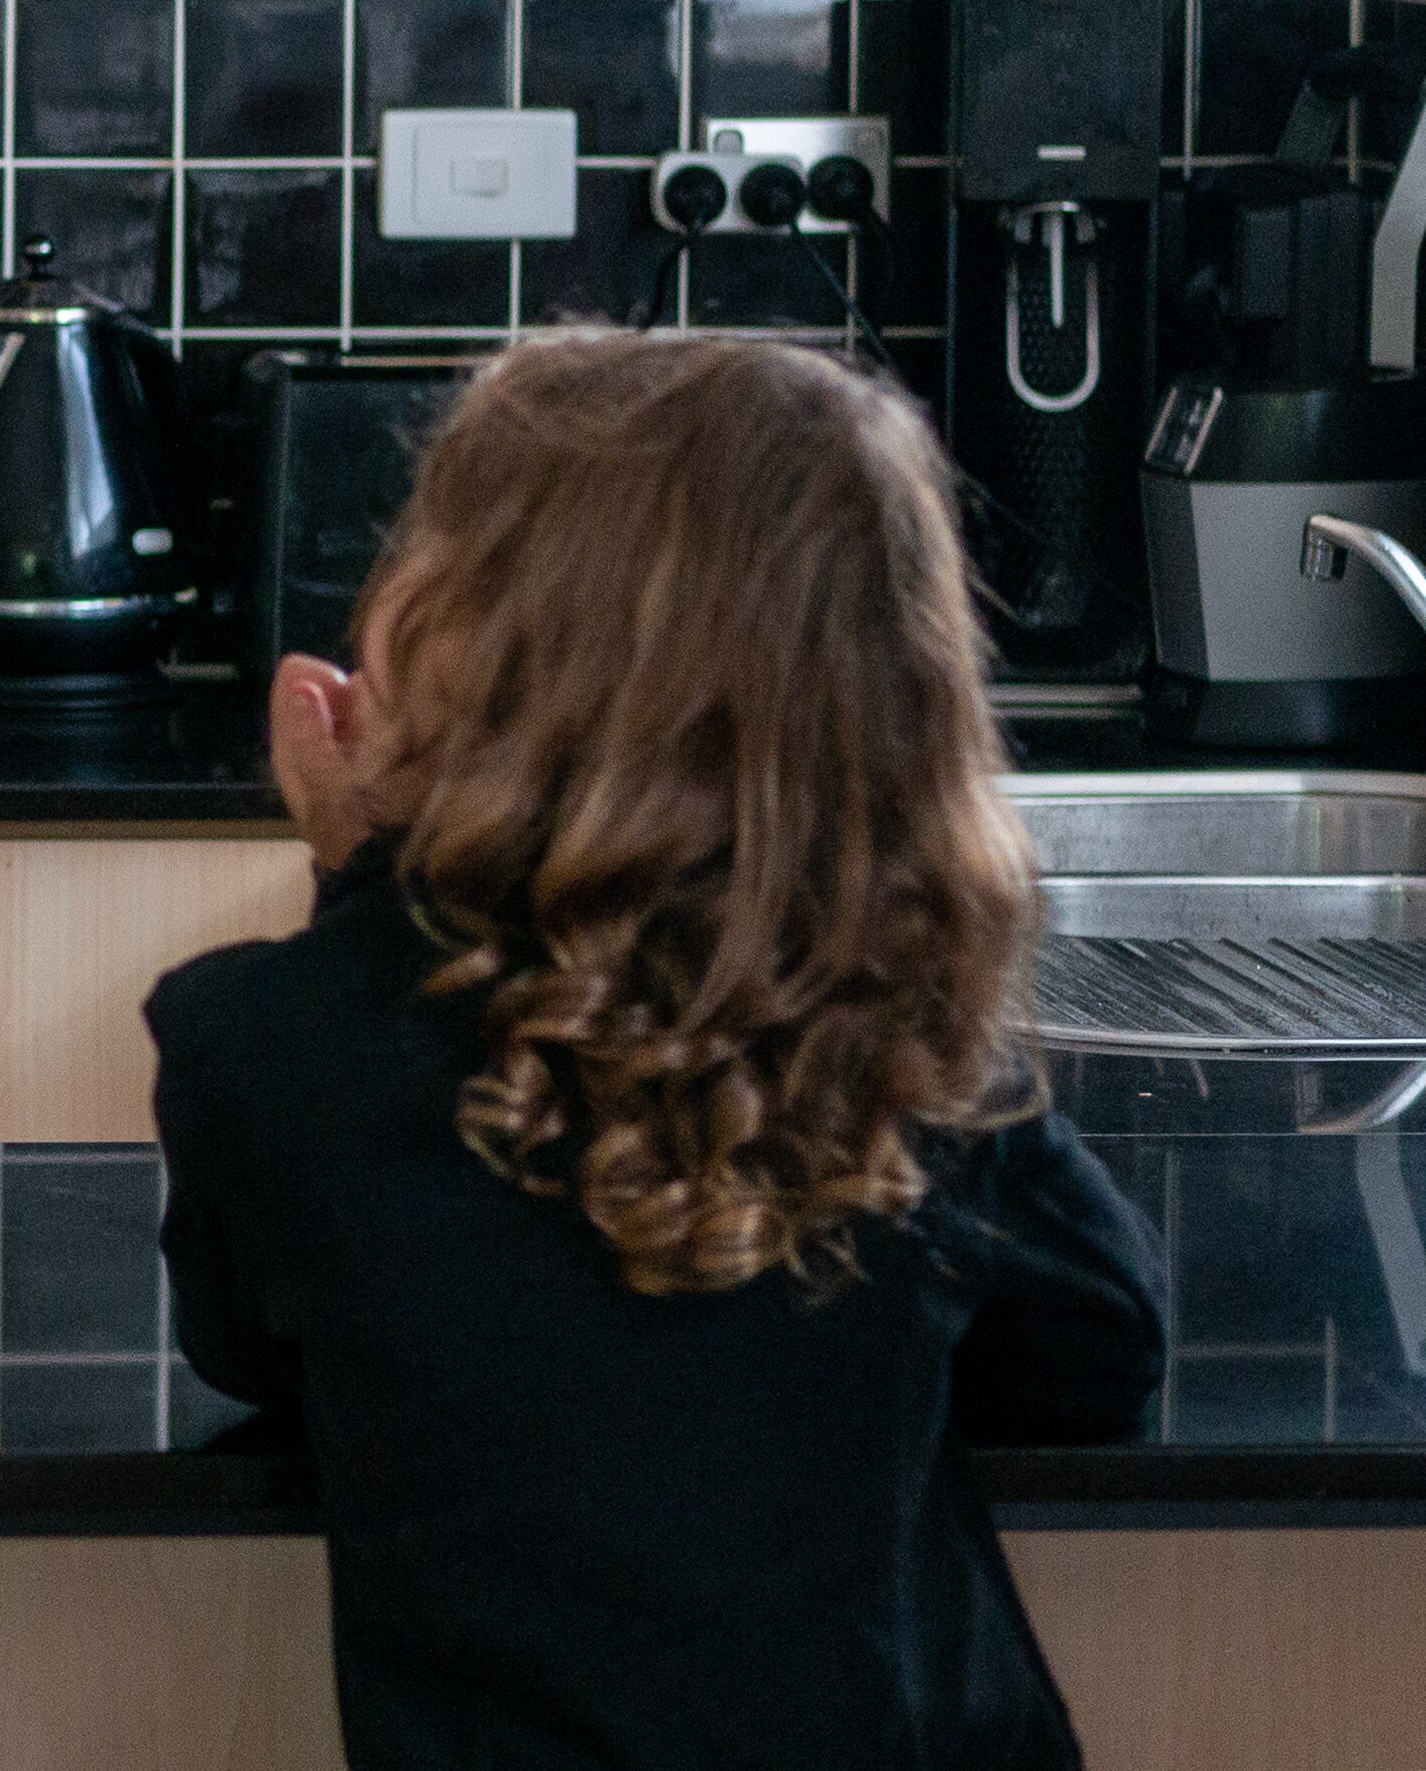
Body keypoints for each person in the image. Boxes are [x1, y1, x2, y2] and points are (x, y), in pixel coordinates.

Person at [147, 336, 1166, 1771]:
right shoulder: (879, 1041)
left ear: (471, 652)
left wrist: (372, 870)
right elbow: (1104, 1341)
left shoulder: (260, 1043)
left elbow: (254, 1341)